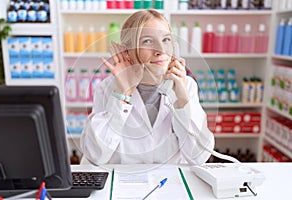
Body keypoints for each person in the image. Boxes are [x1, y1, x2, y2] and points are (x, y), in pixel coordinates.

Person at [80, 9, 214, 165]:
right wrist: (124, 93)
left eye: (166, 40)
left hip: (171, 183)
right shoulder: (108, 88)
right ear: (127, 52)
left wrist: (183, 101)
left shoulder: (186, 85)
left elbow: (199, 157)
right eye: (147, 41)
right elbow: (95, 155)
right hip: (122, 183)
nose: (161, 50)